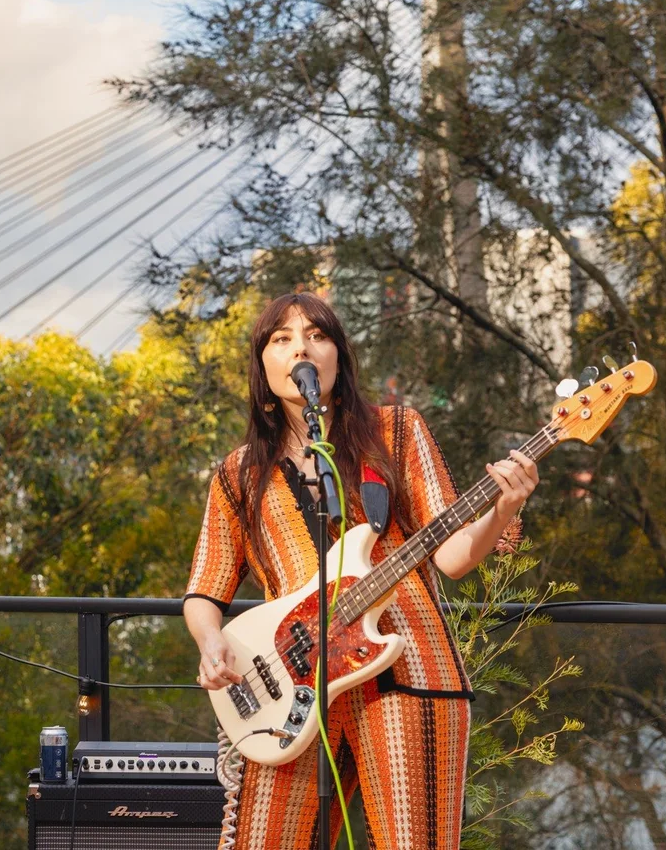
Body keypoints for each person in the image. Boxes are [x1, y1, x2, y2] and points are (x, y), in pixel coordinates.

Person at [183, 292, 538, 850]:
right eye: (282, 339)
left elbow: (450, 555)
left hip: (406, 670)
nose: (300, 347)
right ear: (263, 366)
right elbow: (206, 587)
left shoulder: (394, 431)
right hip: (285, 685)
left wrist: (504, 508)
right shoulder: (238, 473)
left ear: (339, 359)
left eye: (316, 336)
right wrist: (210, 643)